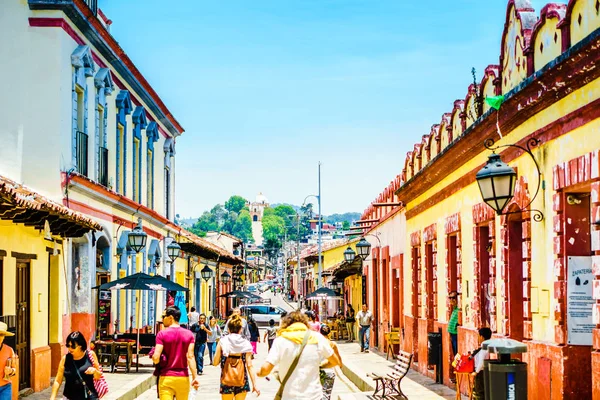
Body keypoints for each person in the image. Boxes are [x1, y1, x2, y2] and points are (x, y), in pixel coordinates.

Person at [257, 311, 340, 400]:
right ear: (305, 323)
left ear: (286, 324)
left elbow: (265, 369)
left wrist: (259, 373)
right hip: (314, 396)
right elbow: (335, 361)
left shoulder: (280, 341)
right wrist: (320, 366)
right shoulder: (317, 337)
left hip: (289, 397)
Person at [152, 306, 200, 400]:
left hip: (166, 378)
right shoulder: (189, 334)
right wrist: (195, 377)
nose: (162, 319)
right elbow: (190, 357)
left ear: (170, 318)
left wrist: (156, 358)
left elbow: (156, 357)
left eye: (163, 316)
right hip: (183, 378)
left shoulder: (162, 334)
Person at [214, 315, 260, 399]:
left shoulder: (222, 341)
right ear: (240, 329)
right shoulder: (246, 343)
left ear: (228, 329)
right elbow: (249, 366)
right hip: (242, 379)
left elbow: (215, 362)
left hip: (226, 379)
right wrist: (254, 384)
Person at [50, 331, 104, 400]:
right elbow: (58, 380)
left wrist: (94, 371)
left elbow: (98, 376)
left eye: (73, 346)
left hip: (88, 397)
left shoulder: (91, 355)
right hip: (69, 397)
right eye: (68, 346)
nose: (70, 349)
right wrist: (52, 397)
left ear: (80, 346)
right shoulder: (65, 359)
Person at [319, 325, 342, 400]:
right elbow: (338, 357)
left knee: (318, 394)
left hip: (318, 371)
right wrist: (340, 365)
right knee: (326, 394)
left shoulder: (316, 343)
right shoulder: (332, 344)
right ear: (329, 333)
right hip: (329, 371)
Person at [471, 327, 492, 400]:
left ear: (482, 337)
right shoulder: (486, 346)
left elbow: (481, 361)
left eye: (478, 336)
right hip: (483, 371)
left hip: (480, 372)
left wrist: (476, 372)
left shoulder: (484, 348)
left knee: (479, 392)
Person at [0, 322, 16, 400]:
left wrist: (10, 371)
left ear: (4, 337)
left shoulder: (9, 350)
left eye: (1, 335)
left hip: (5, 387)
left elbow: (14, 369)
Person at [448, 291, 460, 356]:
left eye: (453, 298)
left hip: (456, 334)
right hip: (452, 333)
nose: (451, 300)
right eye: (450, 298)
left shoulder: (459, 308)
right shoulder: (454, 309)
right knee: (454, 352)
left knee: (456, 352)